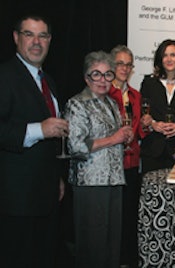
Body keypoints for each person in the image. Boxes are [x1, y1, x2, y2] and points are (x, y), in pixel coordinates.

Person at [0, 15, 68, 268]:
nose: (37, 42)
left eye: (43, 36)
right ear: (16, 38)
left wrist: (57, 178)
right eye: (29, 34)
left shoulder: (47, 80)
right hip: (16, 201)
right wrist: (38, 129)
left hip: (47, 197)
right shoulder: (5, 76)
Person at [65, 50, 133, 268]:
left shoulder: (111, 104)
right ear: (86, 77)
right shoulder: (77, 104)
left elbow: (113, 139)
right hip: (91, 183)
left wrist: (124, 137)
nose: (103, 80)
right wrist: (114, 138)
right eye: (97, 74)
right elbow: (75, 146)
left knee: (112, 245)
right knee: (92, 247)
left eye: (108, 74)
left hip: (114, 181)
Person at [108, 45, 146, 268]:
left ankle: (126, 260)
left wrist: (148, 125)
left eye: (128, 64)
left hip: (132, 163)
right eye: (120, 63)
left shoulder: (135, 95)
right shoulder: (103, 93)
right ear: (112, 65)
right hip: (110, 164)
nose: (124, 68)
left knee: (129, 215)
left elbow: (139, 130)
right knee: (113, 217)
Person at [139, 39, 175, 174]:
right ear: (160, 59)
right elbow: (142, 111)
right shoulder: (149, 82)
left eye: (173, 55)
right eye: (165, 55)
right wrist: (153, 124)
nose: (169, 59)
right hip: (153, 149)